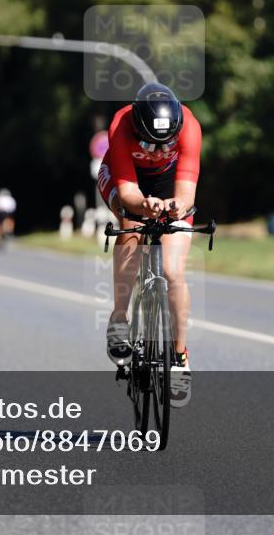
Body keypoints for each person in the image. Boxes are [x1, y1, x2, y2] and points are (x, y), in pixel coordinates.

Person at [97, 82, 202, 407]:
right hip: (125, 179)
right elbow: (128, 194)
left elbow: (186, 194)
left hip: (169, 181)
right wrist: (144, 206)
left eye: (164, 143)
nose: (156, 149)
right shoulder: (121, 124)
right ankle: (119, 318)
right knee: (130, 226)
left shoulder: (190, 127)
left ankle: (180, 356)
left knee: (172, 271)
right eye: (148, 143)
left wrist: (174, 208)